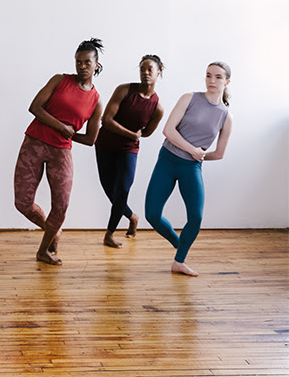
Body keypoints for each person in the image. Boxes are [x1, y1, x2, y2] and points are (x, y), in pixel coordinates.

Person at [14, 39, 104, 266]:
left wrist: (69, 134)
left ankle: (43, 251)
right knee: (23, 203)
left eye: (87, 62)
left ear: (96, 65)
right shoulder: (60, 80)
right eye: (78, 61)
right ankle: (53, 230)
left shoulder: (96, 100)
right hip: (34, 143)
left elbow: (91, 139)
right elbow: (34, 107)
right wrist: (61, 127)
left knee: (61, 205)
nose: (82, 66)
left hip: (61, 151)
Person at [144, 61, 233, 277]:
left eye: (218, 77)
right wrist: (193, 149)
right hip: (167, 160)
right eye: (209, 75)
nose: (212, 80)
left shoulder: (225, 116)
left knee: (196, 217)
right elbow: (168, 130)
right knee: (152, 215)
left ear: (227, 81)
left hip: (191, 167)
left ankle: (179, 261)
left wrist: (198, 156)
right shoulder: (190, 98)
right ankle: (179, 243)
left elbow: (219, 153)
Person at [94, 55, 165, 248]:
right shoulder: (124, 90)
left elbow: (147, 132)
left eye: (150, 69)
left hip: (128, 150)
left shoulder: (157, 107)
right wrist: (131, 134)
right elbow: (106, 120)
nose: (146, 73)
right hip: (105, 145)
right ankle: (132, 217)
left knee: (123, 190)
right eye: (142, 69)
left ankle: (109, 234)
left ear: (159, 72)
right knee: (111, 191)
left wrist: (134, 137)